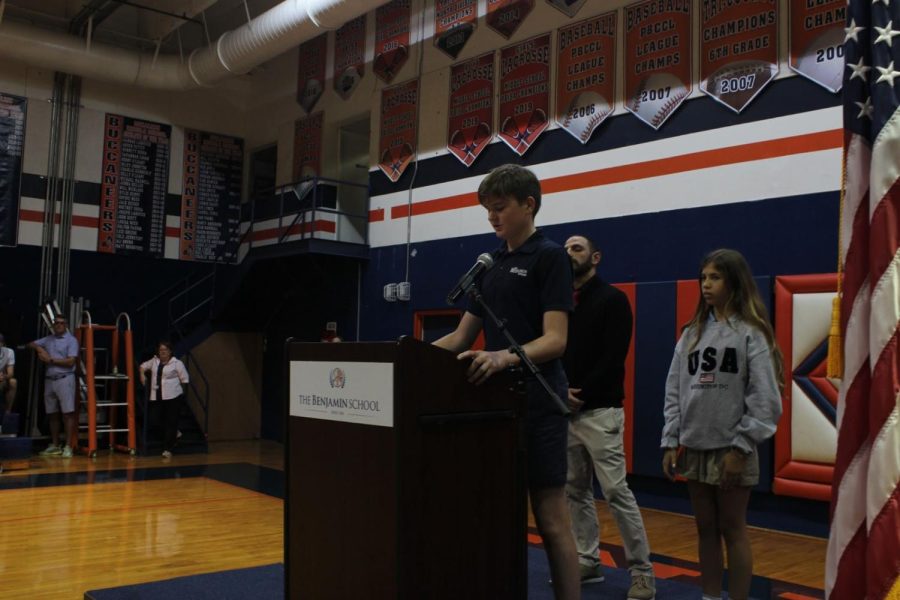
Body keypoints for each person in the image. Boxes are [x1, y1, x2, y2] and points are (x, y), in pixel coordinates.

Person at [433, 164, 580, 599]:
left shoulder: (551, 256)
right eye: (487, 210)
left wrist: (502, 356)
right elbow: (461, 336)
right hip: (496, 406)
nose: (492, 218)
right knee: (498, 515)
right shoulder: (490, 264)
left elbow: (555, 340)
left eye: (500, 208)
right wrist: (403, 354)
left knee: (551, 520)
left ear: (528, 205)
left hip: (540, 402)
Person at [660, 249, 783, 600]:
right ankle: (710, 596)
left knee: (733, 528)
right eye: (703, 278)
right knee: (705, 529)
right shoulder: (691, 334)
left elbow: (765, 399)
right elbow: (674, 391)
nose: (707, 285)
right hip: (695, 446)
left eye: (715, 277)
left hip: (732, 449)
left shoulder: (751, 334)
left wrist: (742, 448)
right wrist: (671, 440)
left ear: (734, 282)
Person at [562, 235, 656, 599]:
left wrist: (578, 394)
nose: (570, 254)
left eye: (577, 248)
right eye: (566, 249)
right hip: (565, 412)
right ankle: (588, 560)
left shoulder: (613, 300)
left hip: (600, 412)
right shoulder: (560, 304)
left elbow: (613, 358)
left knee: (616, 491)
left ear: (595, 257)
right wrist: (560, 393)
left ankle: (642, 572)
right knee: (575, 491)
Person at [29, 315, 80, 457]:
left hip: (65, 378)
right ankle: (55, 445)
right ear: (53, 325)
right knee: (52, 414)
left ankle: (68, 446)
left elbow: (71, 362)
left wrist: (50, 359)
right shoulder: (49, 339)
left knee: (67, 414)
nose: (58, 325)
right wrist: (40, 350)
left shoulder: (71, 340)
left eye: (61, 323)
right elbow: (31, 344)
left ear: (66, 325)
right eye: (56, 323)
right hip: (50, 380)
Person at [139, 341, 190, 459]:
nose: (162, 352)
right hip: (157, 396)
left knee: (170, 422)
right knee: (154, 419)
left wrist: (174, 389)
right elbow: (142, 366)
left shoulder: (177, 363)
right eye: (161, 350)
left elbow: (185, 380)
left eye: (165, 350)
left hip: (173, 397)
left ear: (170, 351)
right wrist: (142, 374)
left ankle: (168, 449)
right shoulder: (154, 361)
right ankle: (175, 433)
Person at [0, 333, 17, 416]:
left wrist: (4, 376)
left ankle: (7, 411)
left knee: (13, 382)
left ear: (2, 343)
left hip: (2, 377)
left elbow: (11, 373)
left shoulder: (9, 352)